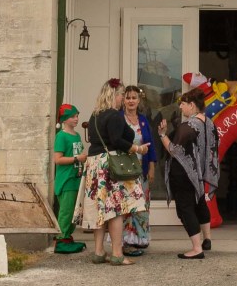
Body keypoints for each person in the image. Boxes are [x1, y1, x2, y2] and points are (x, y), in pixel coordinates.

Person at [75, 78, 148, 265]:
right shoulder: (115, 115)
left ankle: (99, 252)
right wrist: (137, 148)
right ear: (114, 95)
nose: (123, 98)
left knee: (100, 209)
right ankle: (117, 254)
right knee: (116, 210)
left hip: (94, 165)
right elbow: (117, 140)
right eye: (122, 95)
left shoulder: (95, 115)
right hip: (110, 165)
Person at [157, 88, 219, 259]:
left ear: (192, 105)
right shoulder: (210, 123)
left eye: (183, 104)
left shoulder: (188, 126)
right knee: (199, 203)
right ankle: (207, 239)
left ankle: (196, 248)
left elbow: (174, 150)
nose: (181, 107)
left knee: (185, 208)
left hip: (184, 174)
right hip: (199, 173)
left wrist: (162, 135)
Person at [120, 85, 157, 257]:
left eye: (134, 98)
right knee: (128, 206)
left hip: (141, 169)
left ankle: (140, 238)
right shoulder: (119, 118)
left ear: (139, 100)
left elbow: (151, 145)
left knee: (142, 205)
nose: (131, 101)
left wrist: (152, 167)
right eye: (128, 97)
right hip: (125, 170)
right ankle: (127, 241)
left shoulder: (143, 120)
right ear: (123, 100)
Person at [53, 103, 88, 254]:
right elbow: (57, 159)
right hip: (66, 180)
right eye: (73, 116)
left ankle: (68, 237)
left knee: (74, 211)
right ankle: (61, 240)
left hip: (76, 179)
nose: (76, 119)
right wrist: (76, 158)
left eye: (77, 116)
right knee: (66, 211)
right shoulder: (61, 136)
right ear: (64, 119)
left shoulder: (77, 135)